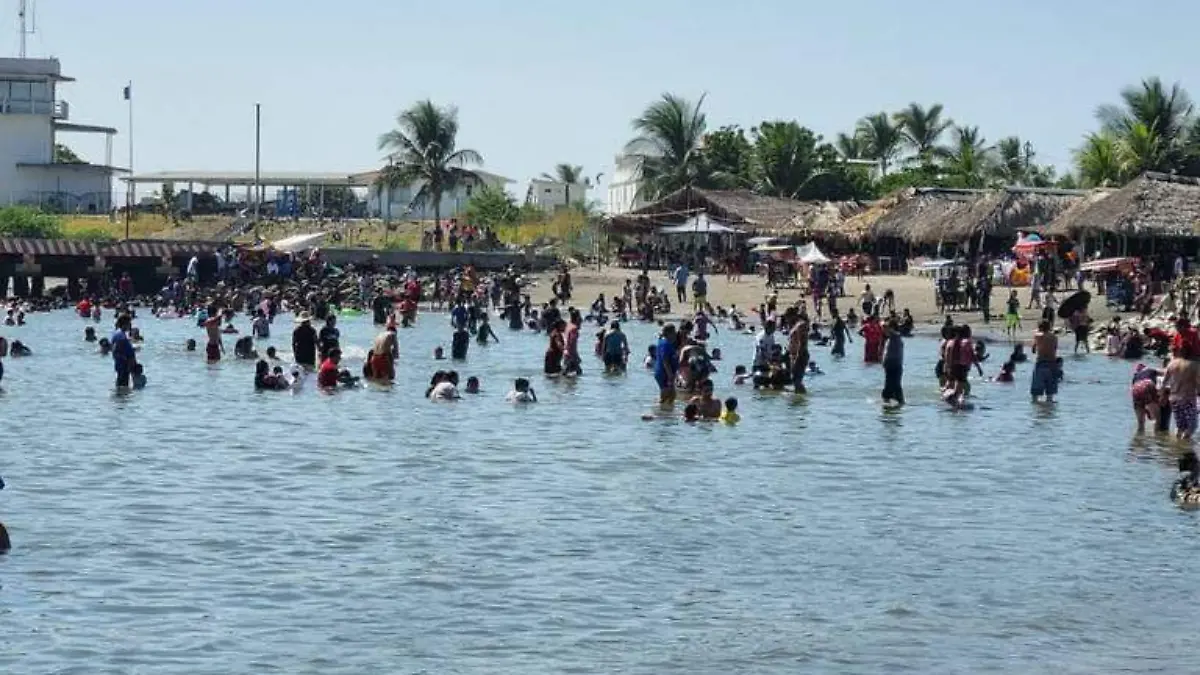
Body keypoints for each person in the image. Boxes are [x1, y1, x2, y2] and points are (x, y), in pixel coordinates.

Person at [1164, 348, 1200, 440]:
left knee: (1180, 427)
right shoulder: (1194, 365)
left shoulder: (1171, 363)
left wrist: (1161, 396)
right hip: (1188, 399)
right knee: (1192, 427)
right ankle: (1183, 448)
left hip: (1174, 399)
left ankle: (1177, 447)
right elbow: (1198, 383)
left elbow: (1164, 381)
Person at [1030, 319, 1058, 403]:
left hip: (1041, 362)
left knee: (1035, 393)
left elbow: (1033, 350)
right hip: (1052, 363)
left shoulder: (1037, 336)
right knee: (1050, 392)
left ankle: (1036, 406)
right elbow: (1055, 348)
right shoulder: (1054, 337)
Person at [655, 324, 680, 404]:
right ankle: (661, 412)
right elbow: (665, 360)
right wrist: (670, 374)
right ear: (669, 333)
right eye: (674, 333)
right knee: (666, 395)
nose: (675, 335)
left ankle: (667, 413)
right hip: (664, 373)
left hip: (667, 373)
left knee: (672, 395)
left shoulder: (665, 342)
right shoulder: (665, 344)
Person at [881, 320, 904, 405]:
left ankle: (900, 403)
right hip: (890, 366)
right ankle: (888, 402)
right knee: (888, 387)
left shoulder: (896, 336)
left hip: (895, 366)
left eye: (886, 328)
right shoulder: (890, 339)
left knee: (896, 386)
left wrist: (884, 324)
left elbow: (889, 329)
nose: (884, 330)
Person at [111, 314, 137, 388]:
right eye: (129, 323)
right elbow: (115, 350)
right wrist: (126, 359)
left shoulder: (120, 334)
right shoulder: (120, 335)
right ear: (125, 324)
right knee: (123, 386)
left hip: (122, 365)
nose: (131, 325)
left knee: (123, 388)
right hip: (123, 366)